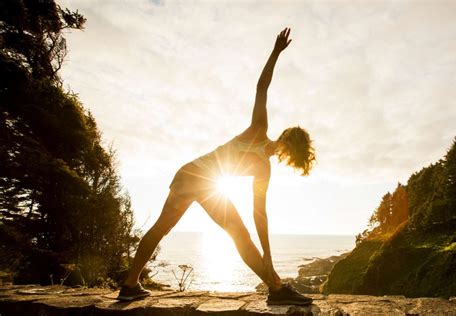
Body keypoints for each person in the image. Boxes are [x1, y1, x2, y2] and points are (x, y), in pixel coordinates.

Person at [118, 27, 316, 305]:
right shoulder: (259, 132)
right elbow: (262, 88)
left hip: (193, 177)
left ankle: (130, 285)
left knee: (166, 228)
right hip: (203, 182)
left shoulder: (263, 160)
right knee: (238, 234)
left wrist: (269, 255)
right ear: (291, 150)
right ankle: (276, 289)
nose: (286, 152)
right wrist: (275, 53)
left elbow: (260, 214)